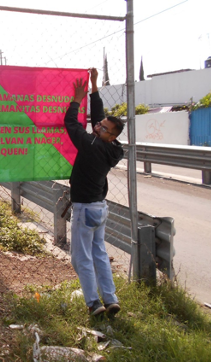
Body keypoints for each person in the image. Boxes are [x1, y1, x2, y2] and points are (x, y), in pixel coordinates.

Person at [63, 68, 124, 317]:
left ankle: (93, 303)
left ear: (109, 135)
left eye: (102, 128)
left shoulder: (90, 145)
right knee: (99, 253)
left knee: (81, 258)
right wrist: (95, 87)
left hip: (86, 209)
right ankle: (110, 299)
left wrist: (77, 98)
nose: (97, 126)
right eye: (99, 125)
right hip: (100, 208)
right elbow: (101, 118)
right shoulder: (115, 148)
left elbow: (70, 123)